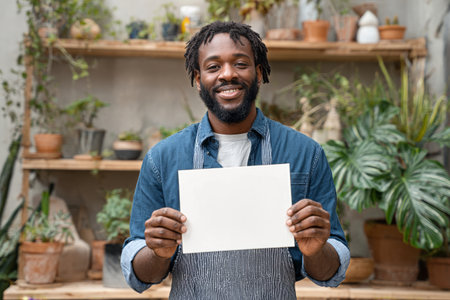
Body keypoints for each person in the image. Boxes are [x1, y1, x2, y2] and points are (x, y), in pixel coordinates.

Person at [121, 21, 349, 299]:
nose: (227, 74)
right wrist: (158, 252)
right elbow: (141, 275)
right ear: (197, 78)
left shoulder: (305, 153)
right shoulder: (163, 158)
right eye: (213, 66)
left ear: (259, 72)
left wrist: (316, 249)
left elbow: (329, 271)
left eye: (240, 63)